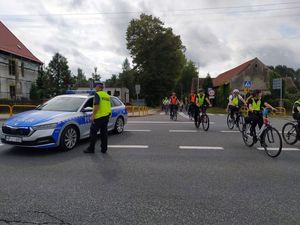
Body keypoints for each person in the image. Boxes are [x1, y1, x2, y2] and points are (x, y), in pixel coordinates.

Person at [84, 81, 112, 154]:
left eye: (95, 87)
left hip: (99, 117)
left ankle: (91, 149)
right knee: (104, 133)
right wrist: (109, 114)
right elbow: (108, 106)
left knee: (93, 132)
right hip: (106, 116)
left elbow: (96, 105)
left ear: (98, 87)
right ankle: (104, 149)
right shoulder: (106, 95)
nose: (95, 88)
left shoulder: (97, 94)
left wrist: (93, 115)